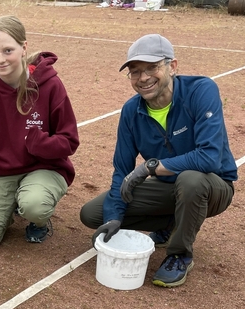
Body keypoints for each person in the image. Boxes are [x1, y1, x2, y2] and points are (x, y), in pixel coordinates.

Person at [80, 34, 237, 288]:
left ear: (172, 67)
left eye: (152, 68)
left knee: (191, 180)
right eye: (135, 71)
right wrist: (113, 217)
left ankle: (179, 254)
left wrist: (151, 167)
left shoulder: (201, 90)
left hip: (212, 185)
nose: (143, 78)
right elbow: (122, 169)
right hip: (168, 186)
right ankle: (171, 222)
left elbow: (209, 158)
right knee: (92, 214)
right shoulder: (132, 111)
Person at [0, 15, 79, 249]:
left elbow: (69, 141)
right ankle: (7, 205)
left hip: (46, 168)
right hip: (4, 172)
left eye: (8, 50)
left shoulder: (51, 85)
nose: (1, 59)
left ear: (24, 48)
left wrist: (36, 142)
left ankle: (38, 220)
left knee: (34, 206)